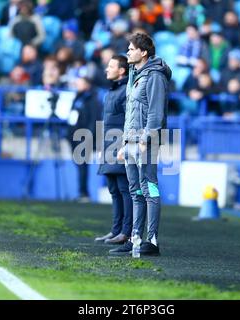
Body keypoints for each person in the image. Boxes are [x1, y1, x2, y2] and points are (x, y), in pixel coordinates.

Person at [111, 33, 172, 256]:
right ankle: (136, 238)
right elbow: (132, 113)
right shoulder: (135, 75)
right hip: (131, 142)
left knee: (149, 188)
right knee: (135, 191)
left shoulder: (154, 76)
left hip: (146, 143)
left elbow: (155, 112)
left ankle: (152, 240)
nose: (128, 52)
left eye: (131, 48)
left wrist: (146, 140)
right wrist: (124, 142)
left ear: (143, 52)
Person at [95, 55, 133, 246]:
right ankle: (116, 230)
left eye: (111, 66)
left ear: (122, 70)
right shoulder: (111, 91)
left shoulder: (126, 90)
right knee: (113, 189)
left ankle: (126, 232)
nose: (107, 69)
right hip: (109, 145)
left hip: (120, 146)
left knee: (124, 189)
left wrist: (125, 145)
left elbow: (130, 121)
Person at [67, 76, 102, 203]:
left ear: (87, 84)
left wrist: (88, 136)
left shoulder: (93, 99)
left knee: (82, 165)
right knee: (79, 165)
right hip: (74, 136)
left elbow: (94, 120)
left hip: (84, 137)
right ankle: (82, 192)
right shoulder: (77, 97)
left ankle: (84, 193)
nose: (77, 85)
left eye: (80, 83)